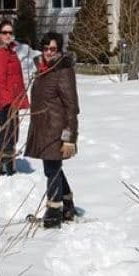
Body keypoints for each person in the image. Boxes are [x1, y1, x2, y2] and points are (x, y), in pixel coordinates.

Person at [24, 31, 79, 229]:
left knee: (52, 169)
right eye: (46, 48)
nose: (49, 52)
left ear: (59, 50)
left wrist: (69, 138)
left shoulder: (63, 71)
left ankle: (54, 213)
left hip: (57, 130)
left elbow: (71, 107)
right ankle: (68, 205)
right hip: (43, 128)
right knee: (53, 168)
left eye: (53, 49)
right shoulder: (43, 69)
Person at [0, 19, 29, 176]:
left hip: (12, 97)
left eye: (10, 32)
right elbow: (0, 79)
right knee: (8, 131)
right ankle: (2, 165)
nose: (8, 35)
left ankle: (6, 163)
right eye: (5, 32)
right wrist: (6, 101)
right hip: (5, 99)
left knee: (11, 131)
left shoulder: (9, 50)